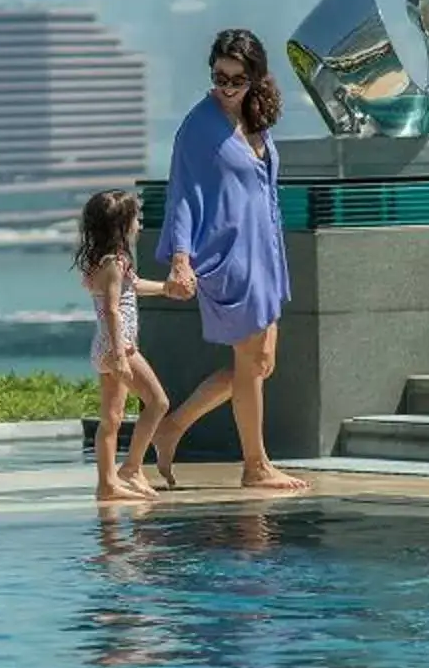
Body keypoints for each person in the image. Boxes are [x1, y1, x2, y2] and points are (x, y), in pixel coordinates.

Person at [126, 27, 309, 493]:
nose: (226, 87)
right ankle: (256, 465)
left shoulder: (255, 116)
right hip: (229, 256)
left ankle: (175, 425)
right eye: (219, 77)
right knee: (250, 362)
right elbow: (183, 194)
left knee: (261, 363)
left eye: (237, 78)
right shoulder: (199, 126)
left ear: (256, 78)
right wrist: (180, 260)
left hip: (265, 252)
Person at [73, 188, 191, 505]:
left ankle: (107, 483)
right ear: (121, 226)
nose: (139, 225)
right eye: (136, 219)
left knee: (111, 419)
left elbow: (133, 287)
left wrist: (167, 289)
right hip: (119, 347)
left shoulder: (105, 261)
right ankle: (132, 468)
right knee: (159, 402)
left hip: (105, 347)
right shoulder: (115, 262)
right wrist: (121, 356)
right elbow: (113, 308)